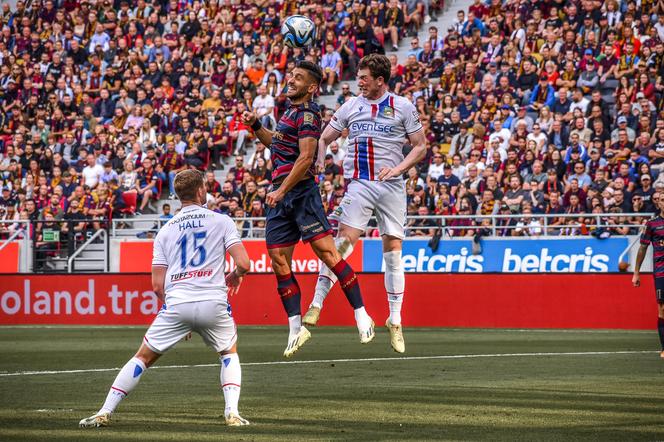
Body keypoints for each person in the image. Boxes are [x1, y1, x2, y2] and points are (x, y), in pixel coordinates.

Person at [79, 169, 252, 427]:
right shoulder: (222, 221)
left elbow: (157, 285)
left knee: (142, 358)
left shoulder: (165, 230)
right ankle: (232, 413)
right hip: (213, 302)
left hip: (177, 302)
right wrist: (236, 275)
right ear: (201, 191)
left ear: (177, 195)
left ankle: (104, 411)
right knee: (229, 353)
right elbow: (245, 263)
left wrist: (178, 313)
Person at [242, 60, 373, 358]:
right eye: (291, 75)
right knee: (278, 260)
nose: (291, 80)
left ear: (312, 87)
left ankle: (361, 313)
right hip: (282, 194)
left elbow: (305, 159)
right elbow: (277, 146)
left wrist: (280, 190)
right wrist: (255, 126)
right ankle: (296, 329)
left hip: (300, 193)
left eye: (298, 77)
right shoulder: (289, 112)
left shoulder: (310, 114)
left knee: (327, 254)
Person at [304, 54, 427, 354]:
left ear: (381, 80)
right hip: (359, 184)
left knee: (393, 253)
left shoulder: (403, 107)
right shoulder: (351, 105)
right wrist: (320, 157)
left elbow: (421, 146)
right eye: (358, 76)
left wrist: (398, 170)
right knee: (342, 244)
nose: (359, 81)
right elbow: (324, 138)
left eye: (364, 78)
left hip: (392, 186)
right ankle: (316, 304)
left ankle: (394, 320)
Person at [632, 195, 664, 359]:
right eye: (663, 200)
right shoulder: (652, 224)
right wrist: (636, 272)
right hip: (661, 272)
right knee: (662, 309)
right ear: (659, 203)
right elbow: (642, 248)